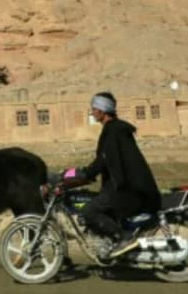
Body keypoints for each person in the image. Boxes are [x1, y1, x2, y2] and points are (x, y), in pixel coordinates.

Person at [64, 92, 161, 259]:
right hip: (126, 185)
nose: (92, 112)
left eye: (94, 108)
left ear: (102, 111)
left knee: (89, 212)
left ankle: (124, 237)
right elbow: (105, 160)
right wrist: (75, 172)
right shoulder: (115, 129)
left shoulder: (112, 132)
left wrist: (81, 173)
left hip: (126, 188)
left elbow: (102, 161)